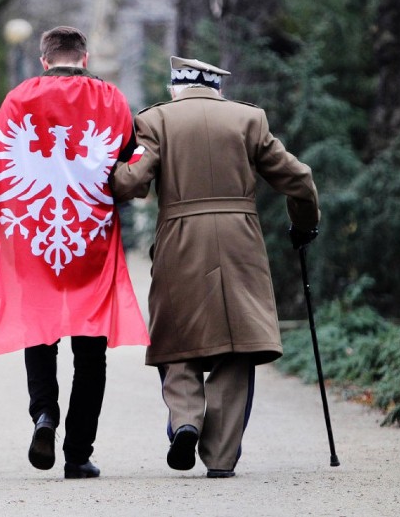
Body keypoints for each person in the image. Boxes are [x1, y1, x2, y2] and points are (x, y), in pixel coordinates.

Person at [109, 55, 320, 478]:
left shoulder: (155, 121)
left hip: (180, 243)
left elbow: (131, 182)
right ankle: (221, 458)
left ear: (175, 88)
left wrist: (109, 171)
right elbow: (299, 179)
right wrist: (303, 226)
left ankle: (186, 420)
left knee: (177, 338)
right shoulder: (249, 120)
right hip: (239, 243)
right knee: (236, 345)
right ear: (217, 89)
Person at [0, 26, 149, 479]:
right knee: (91, 352)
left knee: (40, 334)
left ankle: (44, 415)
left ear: (44, 60)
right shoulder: (111, 100)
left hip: (33, 241)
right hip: (90, 238)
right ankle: (78, 453)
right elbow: (130, 168)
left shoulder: (18, 99)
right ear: (84, 58)